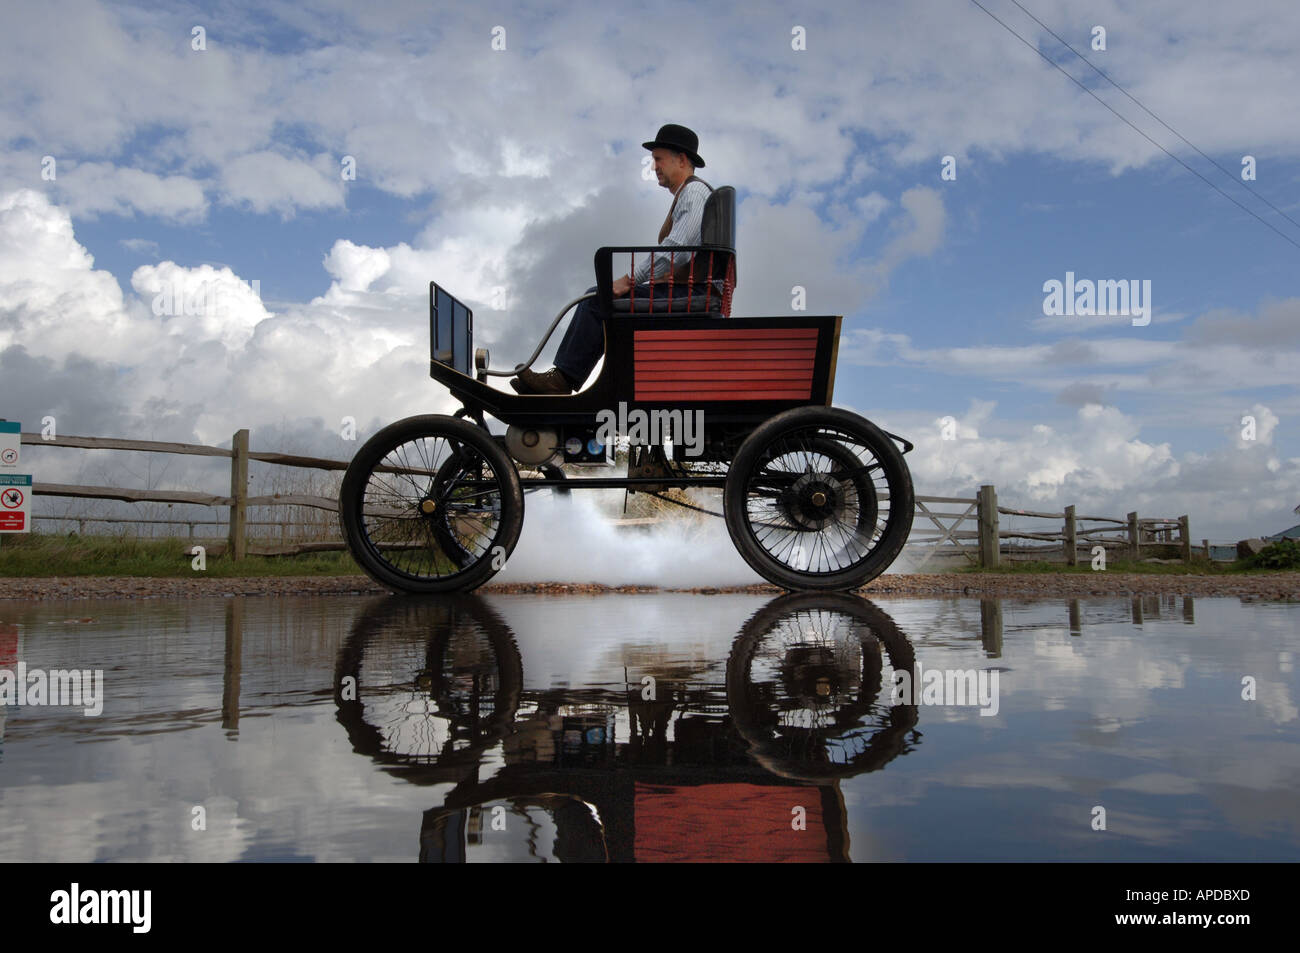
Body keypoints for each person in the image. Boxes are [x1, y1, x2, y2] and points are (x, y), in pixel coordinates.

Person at [511, 123, 716, 395]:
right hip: (687, 291)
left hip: (693, 294)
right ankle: (565, 378)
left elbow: (677, 248)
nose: (654, 166)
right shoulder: (687, 195)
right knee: (597, 296)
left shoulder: (694, 192)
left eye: (658, 159)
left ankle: (562, 381)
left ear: (681, 159)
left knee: (597, 299)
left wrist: (629, 280)